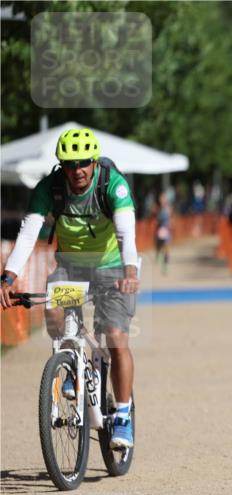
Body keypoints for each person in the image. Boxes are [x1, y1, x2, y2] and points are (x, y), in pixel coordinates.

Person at [0, 127, 139, 449]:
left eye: (83, 163)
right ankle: (70, 362)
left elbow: (126, 235)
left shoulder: (113, 185)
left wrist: (130, 271)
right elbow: (27, 234)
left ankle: (122, 414)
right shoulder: (49, 188)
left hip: (112, 267)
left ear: (94, 162)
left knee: (116, 337)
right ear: (61, 165)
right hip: (71, 266)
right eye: (69, 163)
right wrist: (7, 277)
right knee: (53, 309)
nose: (77, 170)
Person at [155, 190, 172, 274]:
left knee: (166, 247)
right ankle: (159, 259)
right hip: (159, 230)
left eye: (163, 197)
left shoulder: (167, 207)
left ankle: (165, 265)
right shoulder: (157, 208)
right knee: (159, 247)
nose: (162, 199)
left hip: (166, 230)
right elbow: (156, 219)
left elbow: (169, 218)